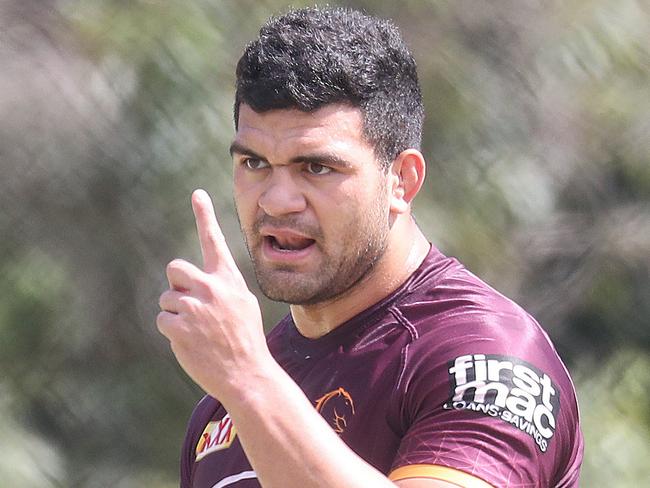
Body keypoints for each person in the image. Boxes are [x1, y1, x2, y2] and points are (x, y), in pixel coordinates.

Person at [157, 6, 583, 488]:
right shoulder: (224, 403)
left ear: (402, 181)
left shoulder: (487, 356)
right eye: (255, 163)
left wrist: (249, 378)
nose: (277, 200)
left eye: (316, 168)